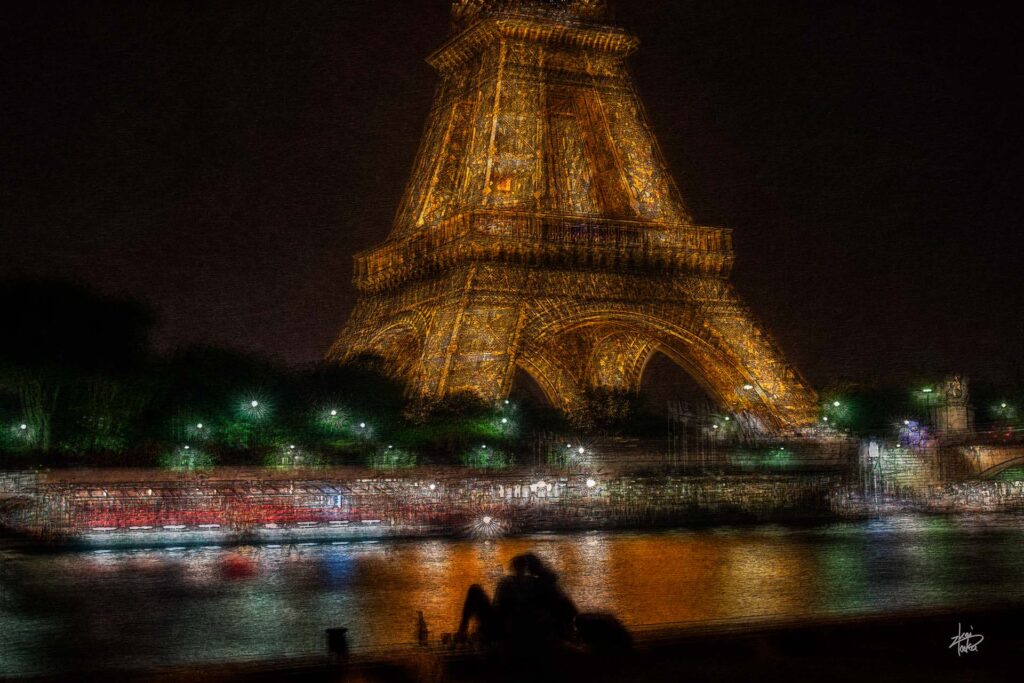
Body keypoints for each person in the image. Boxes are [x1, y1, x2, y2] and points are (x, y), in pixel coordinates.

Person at [456, 552, 578, 648]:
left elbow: (498, 606)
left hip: (505, 628)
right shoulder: (537, 583)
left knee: (475, 589)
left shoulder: (508, 582)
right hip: (524, 628)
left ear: (513, 567)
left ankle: (462, 631)